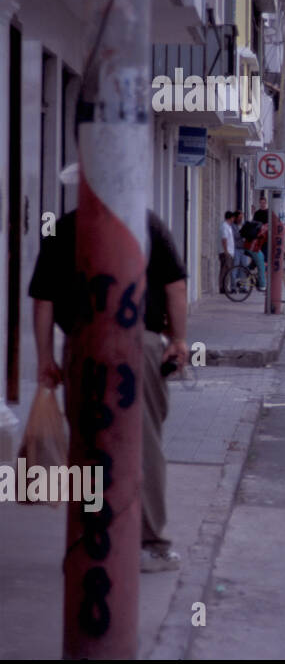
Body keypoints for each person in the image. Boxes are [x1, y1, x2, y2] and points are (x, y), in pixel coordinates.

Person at [30, 168, 188, 572]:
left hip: (83, 345)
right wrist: (178, 340)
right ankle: (150, 543)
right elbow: (175, 287)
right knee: (145, 441)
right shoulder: (149, 224)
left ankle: (88, 534)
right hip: (140, 343)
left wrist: (46, 358)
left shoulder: (62, 229)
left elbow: (44, 300)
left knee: (87, 439)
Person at [219, 210, 237, 294]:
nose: (234, 219)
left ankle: (224, 287)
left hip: (229, 252)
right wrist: (226, 251)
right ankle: (223, 288)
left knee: (226, 270)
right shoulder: (224, 226)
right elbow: (224, 239)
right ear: (230, 218)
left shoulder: (228, 226)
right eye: (233, 218)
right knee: (225, 271)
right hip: (226, 252)